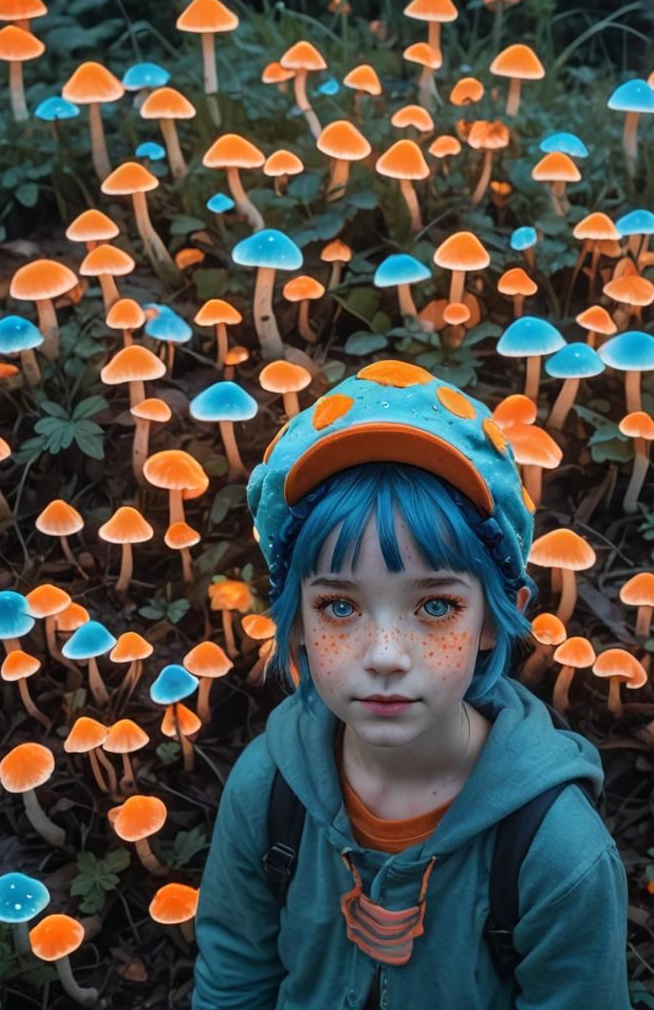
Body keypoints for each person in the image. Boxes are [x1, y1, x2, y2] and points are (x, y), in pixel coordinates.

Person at [192, 359, 630, 1009]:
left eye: (434, 607)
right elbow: (234, 975)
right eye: (340, 606)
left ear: (492, 615)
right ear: (297, 621)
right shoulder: (266, 791)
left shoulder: (556, 852)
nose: (387, 656)